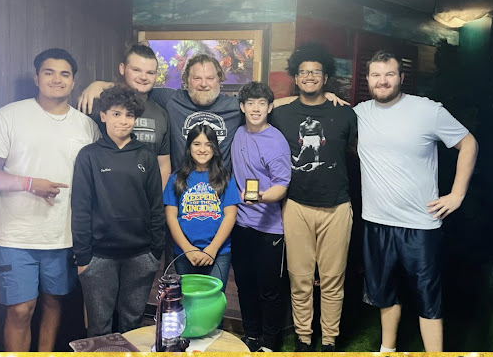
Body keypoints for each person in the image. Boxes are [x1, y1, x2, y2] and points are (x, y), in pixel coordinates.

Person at [354, 50, 478, 352]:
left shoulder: (427, 110)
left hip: (421, 224)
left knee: (427, 297)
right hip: (377, 221)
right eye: (376, 75)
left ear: (401, 77)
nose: (383, 81)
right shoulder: (359, 113)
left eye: (389, 74)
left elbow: (468, 143)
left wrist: (457, 194)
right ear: (368, 79)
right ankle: (387, 351)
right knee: (385, 294)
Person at [0, 48, 100, 351]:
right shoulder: (9, 116)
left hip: (62, 236)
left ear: (73, 81)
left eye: (65, 74)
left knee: (54, 303)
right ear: (37, 78)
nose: (57, 79)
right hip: (16, 236)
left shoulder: (86, 126)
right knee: (20, 310)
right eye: (49, 72)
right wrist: (29, 184)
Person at [77, 53, 345, 171]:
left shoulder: (235, 104)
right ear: (186, 81)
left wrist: (318, 97)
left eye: (210, 78)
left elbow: (269, 103)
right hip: (181, 190)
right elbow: (137, 86)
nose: (203, 84)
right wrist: (99, 84)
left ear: (220, 80)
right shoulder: (170, 98)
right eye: (197, 78)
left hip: (220, 190)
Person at [271, 43, 358, 352]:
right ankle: (304, 339)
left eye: (316, 72)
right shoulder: (280, 113)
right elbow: (252, 107)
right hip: (296, 205)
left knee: (333, 280)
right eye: (303, 72)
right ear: (295, 77)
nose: (309, 77)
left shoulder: (345, 113)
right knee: (300, 279)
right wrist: (285, 99)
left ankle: (330, 340)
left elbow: (359, 154)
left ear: (326, 77)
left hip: (337, 206)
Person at [71, 86, 165, 337]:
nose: (123, 121)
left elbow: (156, 205)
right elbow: (80, 208)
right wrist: (83, 256)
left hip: (141, 255)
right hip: (99, 256)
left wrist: (155, 251)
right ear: (103, 116)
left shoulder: (146, 155)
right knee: (99, 325)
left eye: (129, 115)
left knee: (132, 323)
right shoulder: (89, 156)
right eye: (116, 114)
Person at [230, 82, 291, 352]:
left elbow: (282, 185)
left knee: (269, 289)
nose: (256, 109)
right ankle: (251, 336)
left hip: (270, 228)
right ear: (242, 107)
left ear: (270, 107)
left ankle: (270, 343)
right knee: (245, 285)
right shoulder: (238, 133)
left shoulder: (276, 141)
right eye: (251, 103)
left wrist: (261, 197)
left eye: (262, 103)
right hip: (240, 224)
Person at [163, 124, 240, 291]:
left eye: (208, 144)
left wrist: (213, 248)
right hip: (184, 252)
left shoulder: (226, 178)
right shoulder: (176, 179)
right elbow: (171, 217)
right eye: (197, 144)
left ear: (215, 148)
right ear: (189, 147)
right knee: (187, 300)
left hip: (219, 252)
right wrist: (188, 249)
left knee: (213, 300)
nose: (202, 150)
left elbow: (230, 216)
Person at [93, 44, 171, 188]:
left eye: (150, 72)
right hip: (106, 195)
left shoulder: (161, 113)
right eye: (136, 70)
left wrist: (159, 198)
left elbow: (163, 165)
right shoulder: (101, 105)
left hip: (145, 197)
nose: (143, 77)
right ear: (122, 69)